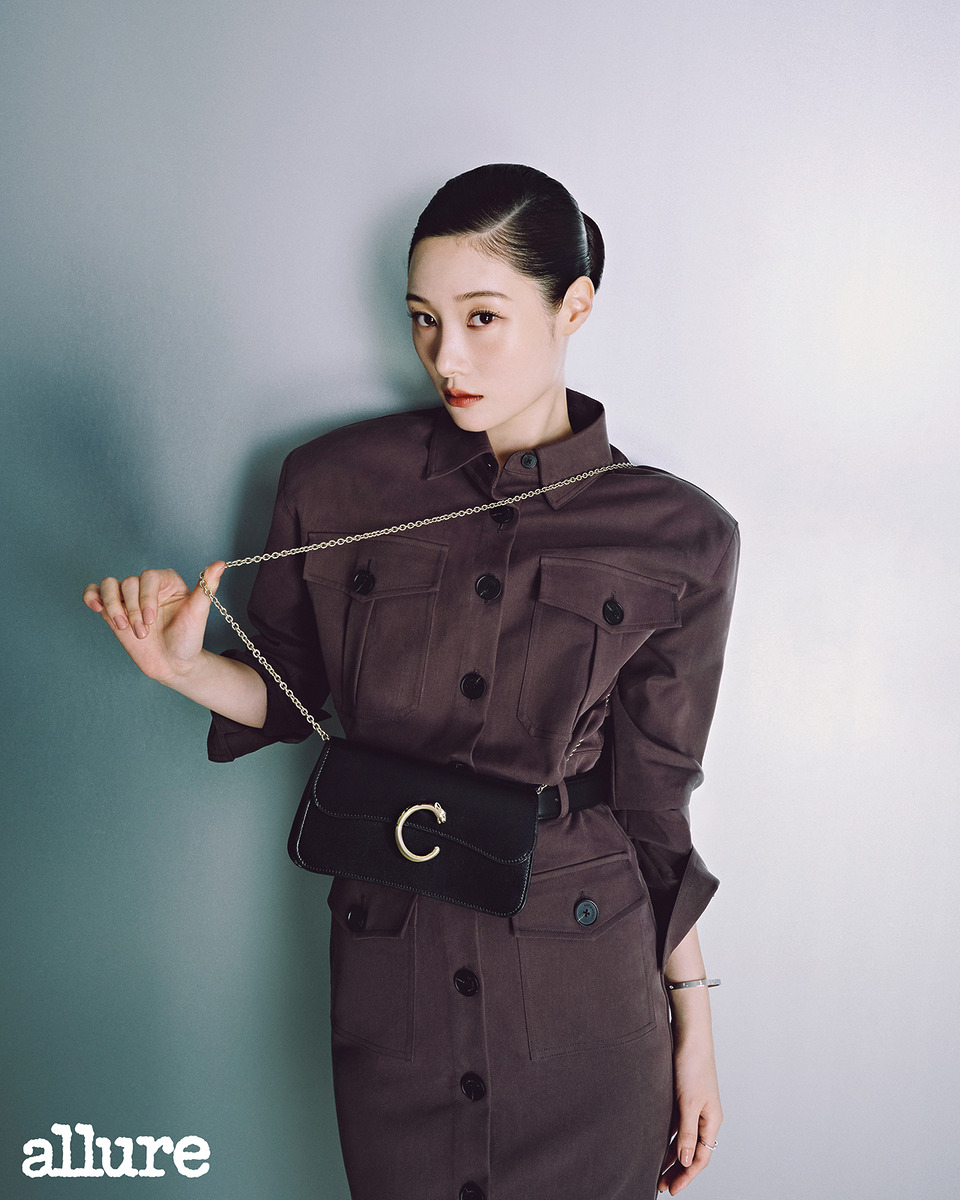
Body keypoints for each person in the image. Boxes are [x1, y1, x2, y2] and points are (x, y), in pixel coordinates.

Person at [83, 163, 738, 1199]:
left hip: (585, 993)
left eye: (483, 318)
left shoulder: (681, 535)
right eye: (424, 319)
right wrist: (184, 667)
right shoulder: (334, 483)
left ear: (574, 307)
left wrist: (693, 1026)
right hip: (398, 979)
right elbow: (291, 697)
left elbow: (654, 805)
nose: (447, 357)